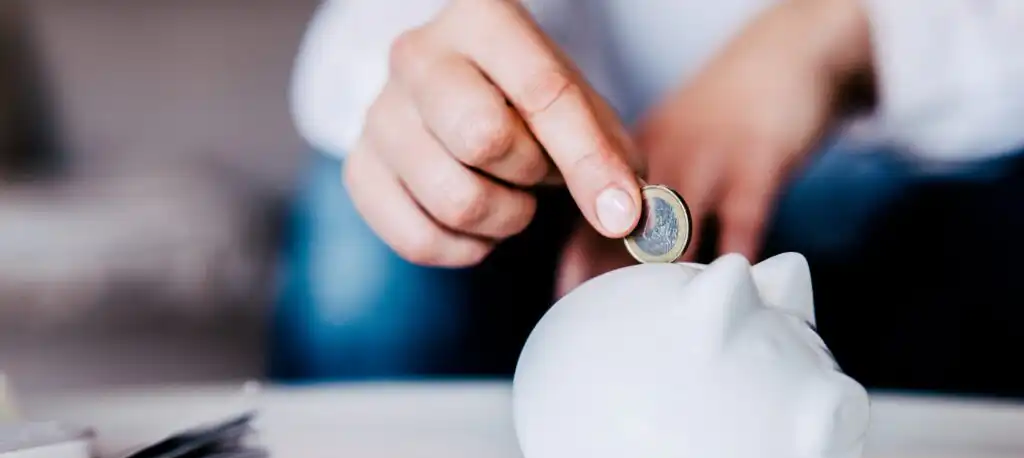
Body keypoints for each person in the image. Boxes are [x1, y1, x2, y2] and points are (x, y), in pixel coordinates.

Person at [270, 0, 1024, 382]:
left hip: (930, 162)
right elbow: (383, 33)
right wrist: (433, 69)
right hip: (559, 190)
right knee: (368, 254)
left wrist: (845, 26)